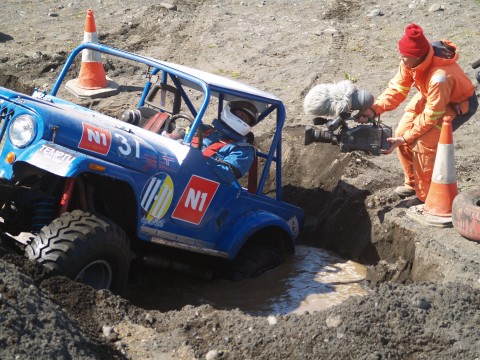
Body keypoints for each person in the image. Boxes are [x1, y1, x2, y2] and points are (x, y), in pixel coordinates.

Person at [357, 23, 477, 205]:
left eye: (404, 56)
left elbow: (432, 115)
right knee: (401, 131)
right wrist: (374, 109)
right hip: (432, 96)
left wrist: (406, 139)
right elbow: (398, 88)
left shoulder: (440, 76)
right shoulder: (410, 62)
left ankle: (425, 197)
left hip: (457, 104)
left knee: (422, 143)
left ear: (418, 56)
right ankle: (413, 184)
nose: (401, 58)